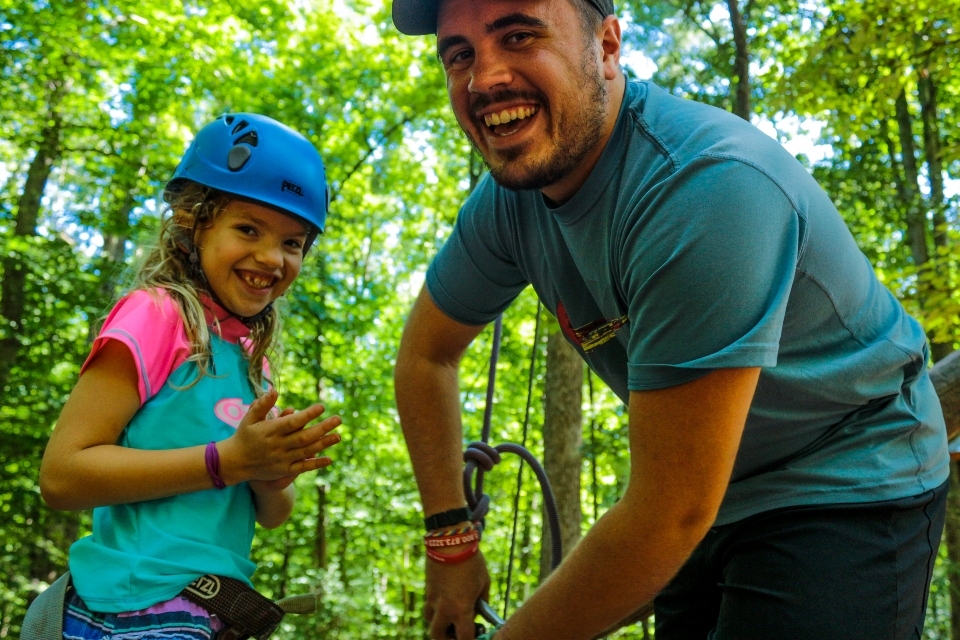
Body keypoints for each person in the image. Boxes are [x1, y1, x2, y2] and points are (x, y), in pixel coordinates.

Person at [389, 0, 951, 637]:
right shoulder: (506, 210)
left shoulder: (704, 188)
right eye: (459, 54)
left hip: (845, 472)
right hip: (705, 491)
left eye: (519, 35)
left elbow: (670, 512)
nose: (483, 78)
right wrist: (450, 543)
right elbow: (425, 356)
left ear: (605, 47)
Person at [37, 113, 341, 640]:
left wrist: (269, 475)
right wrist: (227, 461)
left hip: (207, 612)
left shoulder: (251, 362)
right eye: (248, 228)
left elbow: (271, 514)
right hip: (132, 608)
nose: (271, 258)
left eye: (293, 243)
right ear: (190, 220)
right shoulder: (155, 315)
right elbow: (62, 476)